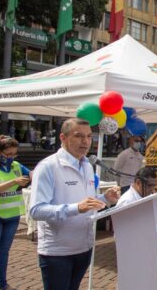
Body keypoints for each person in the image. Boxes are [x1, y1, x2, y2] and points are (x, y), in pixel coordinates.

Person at [29, 118, 121, 290]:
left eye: (88, 136)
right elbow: (36, 210)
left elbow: (87, 202)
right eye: (79, 136)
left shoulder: (87, 165)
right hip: (58, 252)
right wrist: (76, 208)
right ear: (63, 138)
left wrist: (105, 198)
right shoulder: (48, 167)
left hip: (84, 247)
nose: (85, 141)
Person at [0, 135, 30, 290]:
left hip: (12, 215)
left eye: (14, 154)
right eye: (7, 154)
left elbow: (33, 175)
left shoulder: (16, 165)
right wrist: (14, 182)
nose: (10, 158)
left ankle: (2, 282)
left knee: (4, 252)